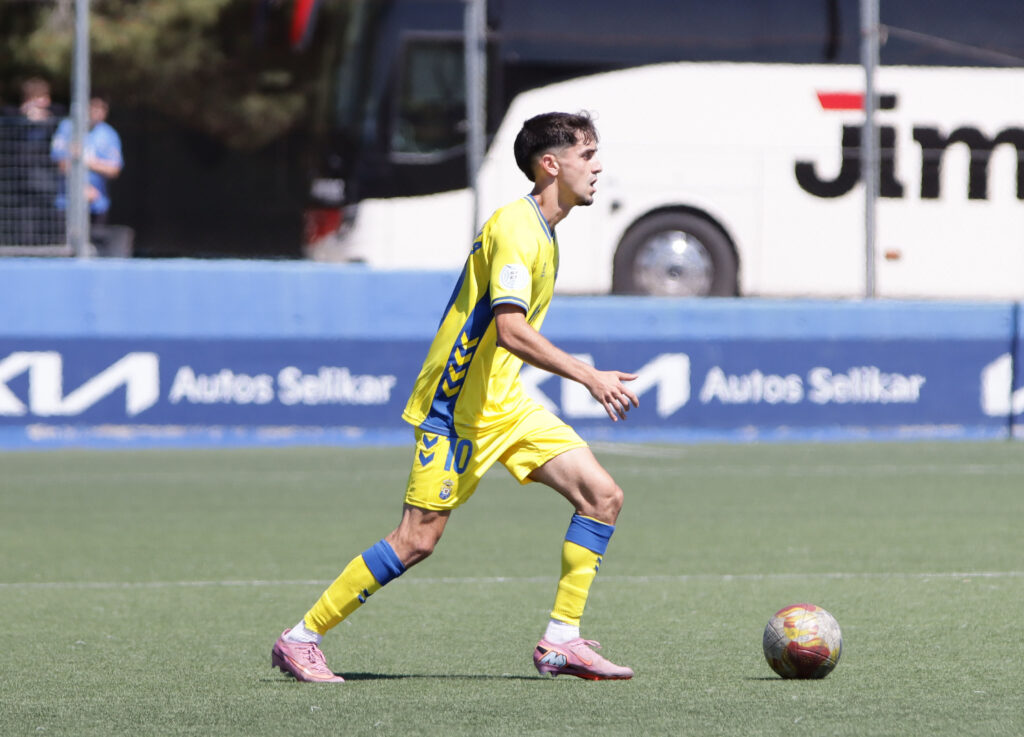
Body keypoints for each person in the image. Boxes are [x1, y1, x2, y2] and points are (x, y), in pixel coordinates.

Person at [271, 111, 640, 683]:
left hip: (505, 404)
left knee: (601, 496)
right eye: (587, 154)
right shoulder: (517, 229)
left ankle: (561, 640)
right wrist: (589, 376)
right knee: (417, 540)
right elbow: (511, 330)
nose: (597, 166)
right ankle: (301, 638)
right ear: (552, 164)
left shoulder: (544, 231)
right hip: (455, 409)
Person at [50, 94, 133, 256]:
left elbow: (114, 169)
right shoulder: (68, 128)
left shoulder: (109, 134)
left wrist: (87, 161)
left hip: (97, 203)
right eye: (93, 108)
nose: (97, 113)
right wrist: (81, 187)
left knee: (94, 249)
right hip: (67, 203)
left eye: (101, 109)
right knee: (68, 249)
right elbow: (62, 162)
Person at [0, 77, 63, 246]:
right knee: (24, 225)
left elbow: (61, 117)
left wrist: (45, 119)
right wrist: (24, 117)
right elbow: (7, 120)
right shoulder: (13, 118)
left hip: (46, 182)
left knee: (48, 224)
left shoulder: (54, 118)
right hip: (22, 183)